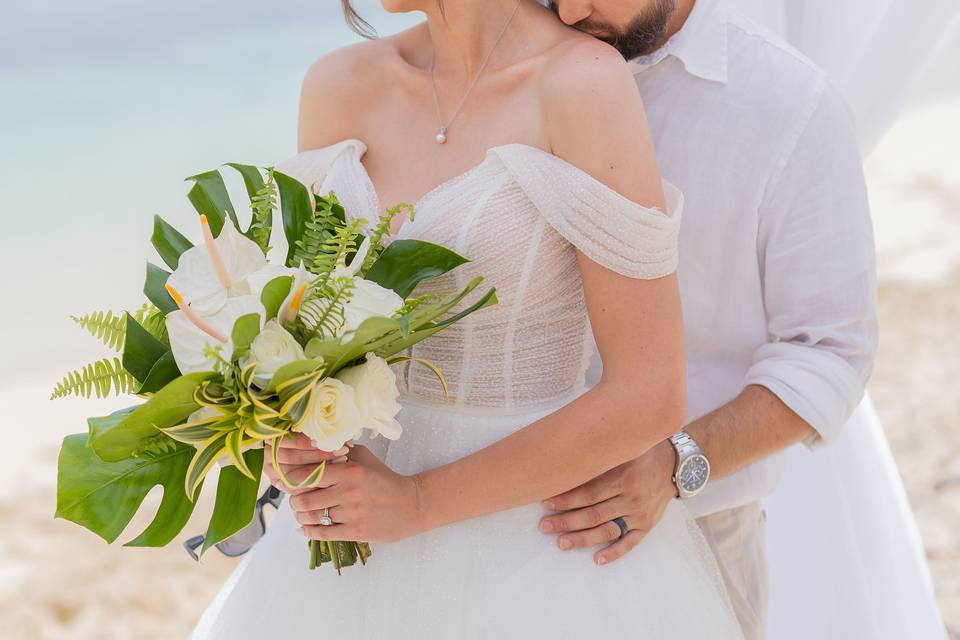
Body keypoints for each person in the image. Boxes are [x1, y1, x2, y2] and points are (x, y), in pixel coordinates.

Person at [191, 1, 745, 638]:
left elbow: (649, 393)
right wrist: (287, 429)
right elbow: (315, 329)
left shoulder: (581, 83)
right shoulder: (337, 85)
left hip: (537, 544)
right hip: (354, 543)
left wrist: (419, 502)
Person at [538, 1, 946, 639]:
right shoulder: (503, 62)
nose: (567, 9)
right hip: (492, 524)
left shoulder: (790, 107)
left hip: (693, 538)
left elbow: (830, 353)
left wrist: (677, 463)